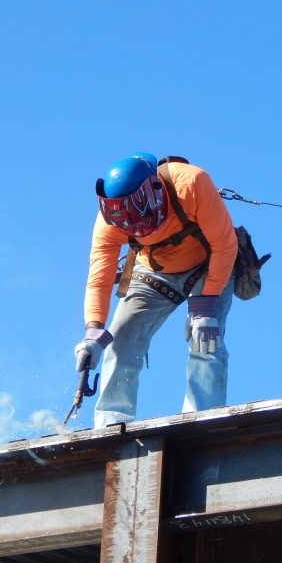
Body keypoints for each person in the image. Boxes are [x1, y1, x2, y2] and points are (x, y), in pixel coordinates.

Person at [74, 153, 238, 429]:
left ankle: (200, 418)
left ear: (155, 192)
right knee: (121, 336)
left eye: (140, 220)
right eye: (128, 225)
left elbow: (225, 245)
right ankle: (111, 422)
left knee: (206, 339)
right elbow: (99, 276)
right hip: (152, 273)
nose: (135, 229)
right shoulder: (109, 220)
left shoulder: (192, 183)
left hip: (208, 267)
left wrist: (206, 307)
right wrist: (93, 330)